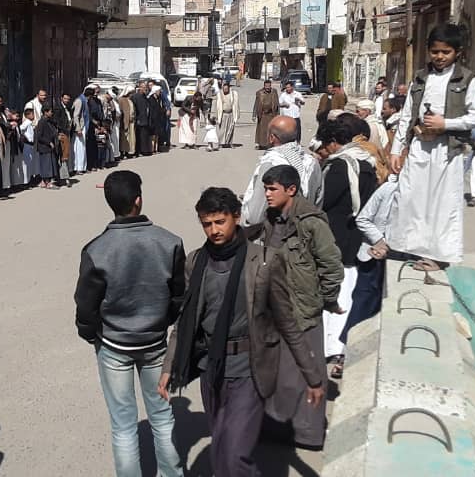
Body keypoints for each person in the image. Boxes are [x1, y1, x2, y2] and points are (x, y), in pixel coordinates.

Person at [160, 186, 326, 474]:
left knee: (235, 454)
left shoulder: (265, 260)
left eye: (220, 222)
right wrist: (169, 367)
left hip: (250, 369)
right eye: (207, 224)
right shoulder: (196, 261)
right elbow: (185, 321)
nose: (214, 230)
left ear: (236, 217)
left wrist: (312, 376)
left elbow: (287, 322)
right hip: (212, 369)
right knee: (221, 452)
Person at [74, 171, 186, 477]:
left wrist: (91, 333)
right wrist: (162, 321)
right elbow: (178, 295)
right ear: (138, 200)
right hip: (155, 342)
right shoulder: (169, 242)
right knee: (162, 417)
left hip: (114, 344)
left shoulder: (97, 249)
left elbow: (86, 303)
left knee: (123, 425)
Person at [248, 165, 342, 449]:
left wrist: (324, 300)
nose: (267, 194)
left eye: (272, 189)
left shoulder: (312, 222)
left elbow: (331, 266)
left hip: (303, 309)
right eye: (265, 189)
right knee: (277, 370)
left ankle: (308, 434)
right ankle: (276, 426)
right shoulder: (272, 218)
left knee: (308, 371)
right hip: (275, 306)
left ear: (291, 190)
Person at [388, 24, 475, 272]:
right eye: (435, 51)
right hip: (420, 145)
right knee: (411, 196)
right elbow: (407, 115)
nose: (440, 57)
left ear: (457, 52)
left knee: (442, 203)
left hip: (447, 150)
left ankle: (438, 256)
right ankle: (410, 247)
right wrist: (396, 150)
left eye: (446, 52)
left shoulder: (466, 79)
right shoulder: (420, 78)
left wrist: (446, 124)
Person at [317, 117, 378, 376]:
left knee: (332, 292)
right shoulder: (366, 163)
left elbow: (323, 200)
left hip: (336, 237)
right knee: (348, 291)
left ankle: (330, 347)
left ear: (333, 142)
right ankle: (341, 345)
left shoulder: (339, 167)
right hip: (356, 238)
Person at [343, 174, 400, 345]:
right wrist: (380, 241)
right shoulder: (387, 189)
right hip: (371, 259)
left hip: (396, 261)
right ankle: (348, 348)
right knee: (362, 306)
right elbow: (363, 219)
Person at [242, 116, 324, 226]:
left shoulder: (271, 163)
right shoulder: (312, 163)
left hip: (278, 231)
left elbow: (255, 216)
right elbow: (318, 202)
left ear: (271, 138)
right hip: (306, 228)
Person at [34, 106, 59, 189]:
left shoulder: (49, 121)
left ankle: (44, 182)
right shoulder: (42, 122)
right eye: (50, 111)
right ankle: (47, 183)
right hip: (44, 147)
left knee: (49, 164)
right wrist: (48, 142)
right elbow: (39, 136)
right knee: (46, 165)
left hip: (49, 147)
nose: (52, 113)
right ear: (45, 112)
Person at [253, 79, 280, 149]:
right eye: (266, 86)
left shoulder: (274, 92)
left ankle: (270, 144)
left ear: (270, 86)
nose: (267, 87)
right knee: (261, 131)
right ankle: (260, 144)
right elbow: (256, 104)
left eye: (269, 86)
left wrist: (278, 115)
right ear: (264, 86)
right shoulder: (259, 93)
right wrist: (254, 115)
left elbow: (277, 104)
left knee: (271, 130)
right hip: (262, 115)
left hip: (271, 114)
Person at [54, 93, 75, 182]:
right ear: (61, 98)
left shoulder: (68, 108)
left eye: (68, 99)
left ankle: (64, 176)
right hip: (62, 133)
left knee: (65, 155)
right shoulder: (58, 108)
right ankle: (63, 177)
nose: (67, 100)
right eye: (65, 98)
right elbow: (57, 122)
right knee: (62, 156)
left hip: (67, 133)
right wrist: (62, 130)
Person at [131, 83, 154, 157]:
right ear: (140, 88)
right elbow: (134, 109)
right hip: (139, 119)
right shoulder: (135, 97)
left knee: (144, 136)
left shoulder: (145, 97)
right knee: (139, 136)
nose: (145, 89)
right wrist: (137, 118)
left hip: (145, 119)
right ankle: (139, 151)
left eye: (145, 87)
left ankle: (145, 150)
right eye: (143, 87)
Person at [72, 87, 90, 174]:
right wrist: (78, 128)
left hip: (83, 127)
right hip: (80, 128)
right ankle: (78, 168)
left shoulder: (84, 100)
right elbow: (76, 115)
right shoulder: (80, 101)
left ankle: (82, 167)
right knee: (79, 148)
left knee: (82, 148)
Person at [216, 82, 240, 148]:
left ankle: (230, 143)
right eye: (224, 89)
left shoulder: (233, 94)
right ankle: (221, 143)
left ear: (229, 88)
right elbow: (217, 106)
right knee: (222, 130)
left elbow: (236, 104)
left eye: (226, 89)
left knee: (230, 129)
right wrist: (217, 116)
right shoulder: (220, 94)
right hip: (223, 114)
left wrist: (237, 114)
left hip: (231, 114)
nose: (225, 90)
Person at [115, 87, 135, 157]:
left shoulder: (130, 100)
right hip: (125, 121)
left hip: (131, 122)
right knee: (124, 138)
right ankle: (122, 152)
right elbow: (120, 111)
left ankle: (128, 151)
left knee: (130, 138)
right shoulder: (121, 100)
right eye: (131, 93)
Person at [20, 107, 38, 185]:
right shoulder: (26, 123)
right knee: (26, 164)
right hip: (27, 144)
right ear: (27, 115)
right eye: (32, 114)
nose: (33, 115)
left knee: (30, 163)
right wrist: (25, 137)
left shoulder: (30, 123)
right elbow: (21, 129)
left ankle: (30, 178)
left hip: (31, 145)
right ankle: (26, 181)